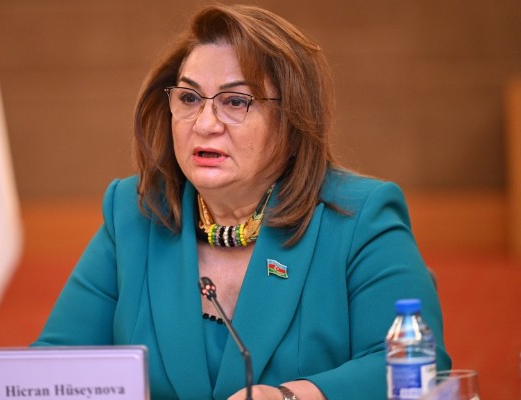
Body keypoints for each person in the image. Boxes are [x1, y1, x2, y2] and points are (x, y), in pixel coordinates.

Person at [33, 4, 451, 399]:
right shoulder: (134, 212)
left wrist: (292, 396)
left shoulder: (361, 216)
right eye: (189, 98)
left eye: (235, 102)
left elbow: (418, 365)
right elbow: (51, 368)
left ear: (293, 122)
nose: (205, 124)